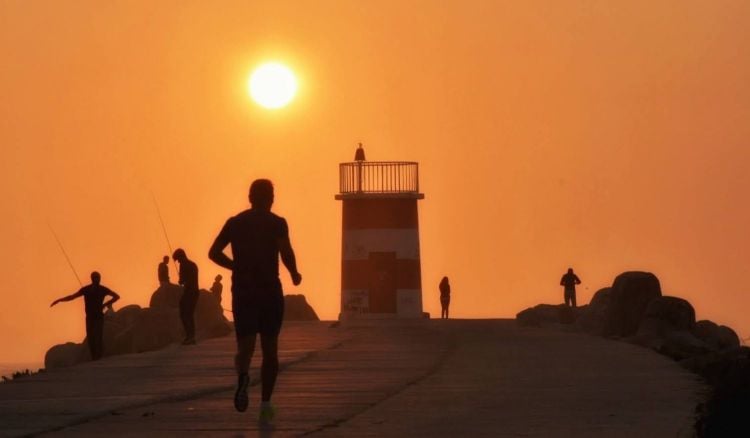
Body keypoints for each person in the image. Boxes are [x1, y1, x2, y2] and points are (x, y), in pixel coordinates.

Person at [209, 179, 302, 425]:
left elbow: (213, 252)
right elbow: (286, 252)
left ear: (250, 197)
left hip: (243, 291)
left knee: (246, 348)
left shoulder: (235, 223)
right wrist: (294, 273)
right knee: (270, 351)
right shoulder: (277, 223)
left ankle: (242, 377)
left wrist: (235, 266)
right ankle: (265, 405)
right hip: (269, 290)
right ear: (271, 198)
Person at [50, 271, 120, 360]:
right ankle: (94, 357)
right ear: (92, 278)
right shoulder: (86, 289)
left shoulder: (103, 289)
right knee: (91, 338)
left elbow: (117, 296)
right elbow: (72, 297)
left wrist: (105, 304)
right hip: (89, 318)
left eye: (98, 277)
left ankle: (98, 357)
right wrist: (59, 300)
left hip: (98, 317)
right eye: (95, 278)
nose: (97, 279)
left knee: (98, 337)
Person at [173, 248, 199, 345]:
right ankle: (191, 336)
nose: (178, 262)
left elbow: (183, 280)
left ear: (181, 256)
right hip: (195, 292)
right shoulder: (193, 264)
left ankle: (189, 336)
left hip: (189, 292)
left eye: (178, 259)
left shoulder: (183, 265)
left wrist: (181, 280)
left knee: (184, 313)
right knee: (189, 314)